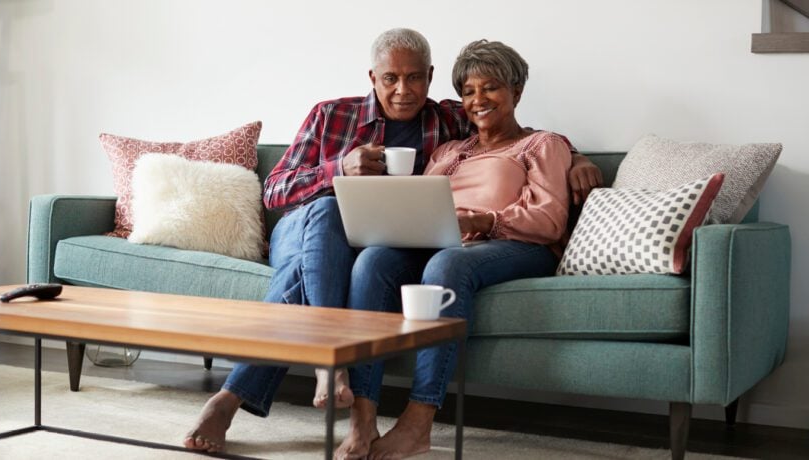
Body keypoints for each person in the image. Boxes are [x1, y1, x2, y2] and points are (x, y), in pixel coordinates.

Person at [184, 29, 601, 454]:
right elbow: (274, 192)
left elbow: (524, 137)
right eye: (391, 79)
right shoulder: (336, 115)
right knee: (331, 219)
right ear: (373, 77)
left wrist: (577, 157)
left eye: (416, 78)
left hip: (420, 243)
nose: (404, 90)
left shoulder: (449, 123)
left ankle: (252, 396)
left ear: (430, 77)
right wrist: (337, 171)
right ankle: (337, 373)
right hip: (305, 225)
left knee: (372, 261)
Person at [335, 39, 574, 459]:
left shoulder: (542, 145)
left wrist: (484, 221)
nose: (478, 100)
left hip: (516, 245)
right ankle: (363, 414)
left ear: (516, 92)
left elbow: (550, 219)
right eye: (468, 91)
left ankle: (418, 422)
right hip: (446, 242)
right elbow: (420, 203)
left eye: (491, 88)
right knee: (373, 261)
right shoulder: (448, 150)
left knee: (448, 263)